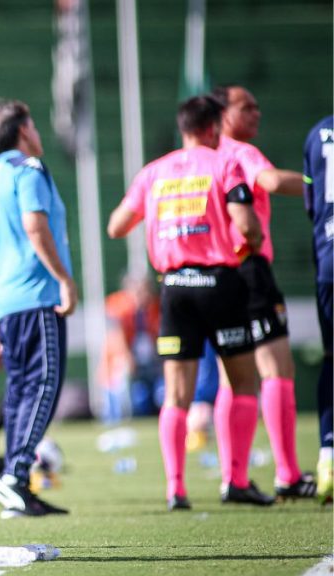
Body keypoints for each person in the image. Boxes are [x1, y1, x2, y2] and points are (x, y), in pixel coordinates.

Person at [107, 95, 273, 510]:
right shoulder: (224, 164)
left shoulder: (154, 172)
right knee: (243, 383)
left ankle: (175, 488)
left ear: (183, 127)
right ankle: (235, 480)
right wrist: (246, 244)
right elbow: (248, 226)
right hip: (220, 282)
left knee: (176, 395)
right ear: (214, 127)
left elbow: (116, 226)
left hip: (175, 287)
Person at [209, 84, 315, 499]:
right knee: (277, 370)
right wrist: (319, 182)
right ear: (221, 115)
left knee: (230, 380)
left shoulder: (202, 160)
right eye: (245, 107)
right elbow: (270, 181)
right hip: (249, 269)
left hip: (215, 273)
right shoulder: (239, 152)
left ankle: (232, 477)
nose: (256, 113)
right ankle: (287, 473)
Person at [0, 99, 74, 519]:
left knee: (19, 393)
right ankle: (14, 477)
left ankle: (17, 488)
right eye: (33, 124)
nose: (38, 132)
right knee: (44, 385)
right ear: (23, 131)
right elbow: (35, 226)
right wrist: (65, 278)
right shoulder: (28, 170)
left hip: (8, 304)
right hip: (36, 297)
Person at [302, 115, 333, 504]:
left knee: (331, 359)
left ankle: (327, 458)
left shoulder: (318, 131)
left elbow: (312, 206)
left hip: (327, 260)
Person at [98, 272, 163, 423]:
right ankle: (121, 417)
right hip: (124, 366)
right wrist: (129, 359)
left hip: (151, 364)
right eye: (138, 290)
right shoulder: (118, 307)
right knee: (123, 373)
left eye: (146, 290)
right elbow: (118, 341)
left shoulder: (155, 307)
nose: (143, 295)